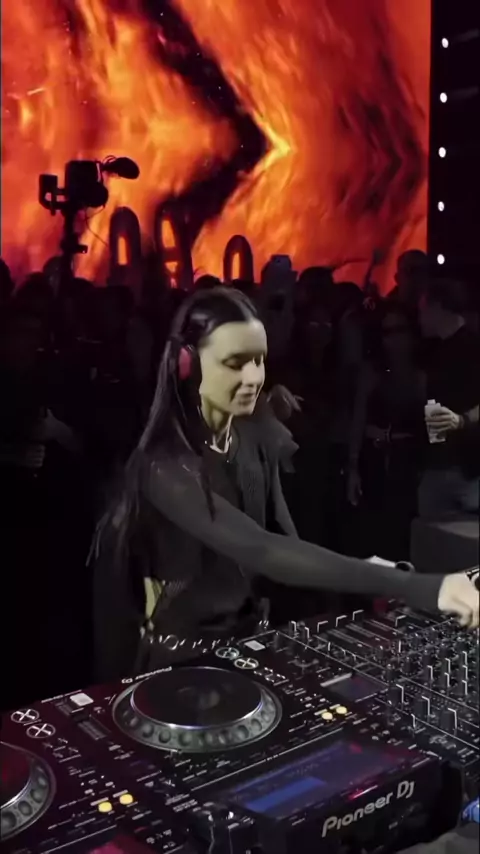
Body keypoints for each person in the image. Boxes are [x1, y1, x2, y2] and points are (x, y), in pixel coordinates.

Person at [92, 288, 478, 681]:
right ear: (187, 364)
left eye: (258, 360)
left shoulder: (250, 437)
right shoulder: (163, 465)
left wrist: (362, 571)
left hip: (246, 643)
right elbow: (262, 549)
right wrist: (420, 587)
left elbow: (285, 539)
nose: (253, 377)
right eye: (234, 362)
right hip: (181, 665)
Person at [418, 278, 479, 518]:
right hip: (440, 463)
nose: (420, 318)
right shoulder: (435, 351)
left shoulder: (473, 347)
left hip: (468, 469)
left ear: (437, 307)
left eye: (423, 310)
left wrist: (463, 420)